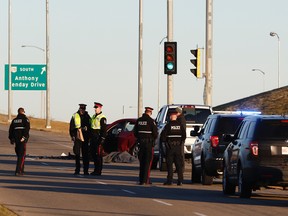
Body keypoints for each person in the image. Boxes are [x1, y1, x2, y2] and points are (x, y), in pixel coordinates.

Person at [161, 110, 186, 186]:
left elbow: (162, 137)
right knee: (178, 164)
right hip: (178, 147)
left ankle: (169, 181)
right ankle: (180, 180)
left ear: (171, 116)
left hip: (170, 147)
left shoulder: (168, 126)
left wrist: (166, 143)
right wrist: (180, 143)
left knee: (170, 165)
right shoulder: (180, 125)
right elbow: (184, 136)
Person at [133, 106, 158, 185]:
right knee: (147, 163)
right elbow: (155, 134)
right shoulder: (151, 121)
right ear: (150, 112)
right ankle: (145, 180)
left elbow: (135, 133)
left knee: (142, 162)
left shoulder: (139, 120)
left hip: (141, 144)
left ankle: (141, 180)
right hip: (148, 144)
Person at [69, 104, 91, 175]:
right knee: (77, 154)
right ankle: (77, 170)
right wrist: (72, 135)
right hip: (77, 137)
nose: (82, 111)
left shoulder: (87, 116)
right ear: (79, 109)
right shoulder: (75, 115)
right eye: (81, 109)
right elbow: (71, 126)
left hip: (85, 137)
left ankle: (86, 171)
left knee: (85, 155)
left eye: (83, 109)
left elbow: (90, 127)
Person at [8, 107, 30, 176]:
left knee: (19, 155)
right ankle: (18, 171)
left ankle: (21, 170)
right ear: (23, 112)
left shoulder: (14, 120)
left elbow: (10, 130)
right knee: (22, 156)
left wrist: (11, 139)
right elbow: (27, 129)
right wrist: (24, 137)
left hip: (16, 140)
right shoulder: (25, 120)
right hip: (22, 140)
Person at [90, 102, 107, 176]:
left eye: (96, 108)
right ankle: (95, 170)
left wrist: (102, 139)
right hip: (93, 137)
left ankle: (98, 170)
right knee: (93, 154)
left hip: (98, 137)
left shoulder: (102, 118)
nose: (95, 109)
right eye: (95, 108)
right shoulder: (93, 116)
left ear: (100, 108)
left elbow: (104, 130)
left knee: (98, 155)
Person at [175, 106, 186, 173]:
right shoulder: (178, 119)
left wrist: (182, 139)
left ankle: (181, 168)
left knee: (181, 154)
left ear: (179, 112)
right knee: (177, 154)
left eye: (176, 112)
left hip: (180, 139)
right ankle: (178, 168)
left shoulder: (181, 119)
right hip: (178, 139)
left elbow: (182, 130)